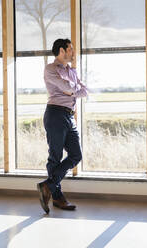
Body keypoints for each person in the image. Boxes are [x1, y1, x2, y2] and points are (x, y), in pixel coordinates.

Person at [37, 38, 88, 214]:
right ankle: (57, 197)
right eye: (70, 49)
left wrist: (72, 88)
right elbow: (68, 88)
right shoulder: (50, 69)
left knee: (76, 155)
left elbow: (84, 90)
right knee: (55, 157)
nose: (73, 52)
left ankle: (48, 186)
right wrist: (73, 88)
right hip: (55, 114)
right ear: (61, 51)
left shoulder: (71, 71)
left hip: (69, 116)